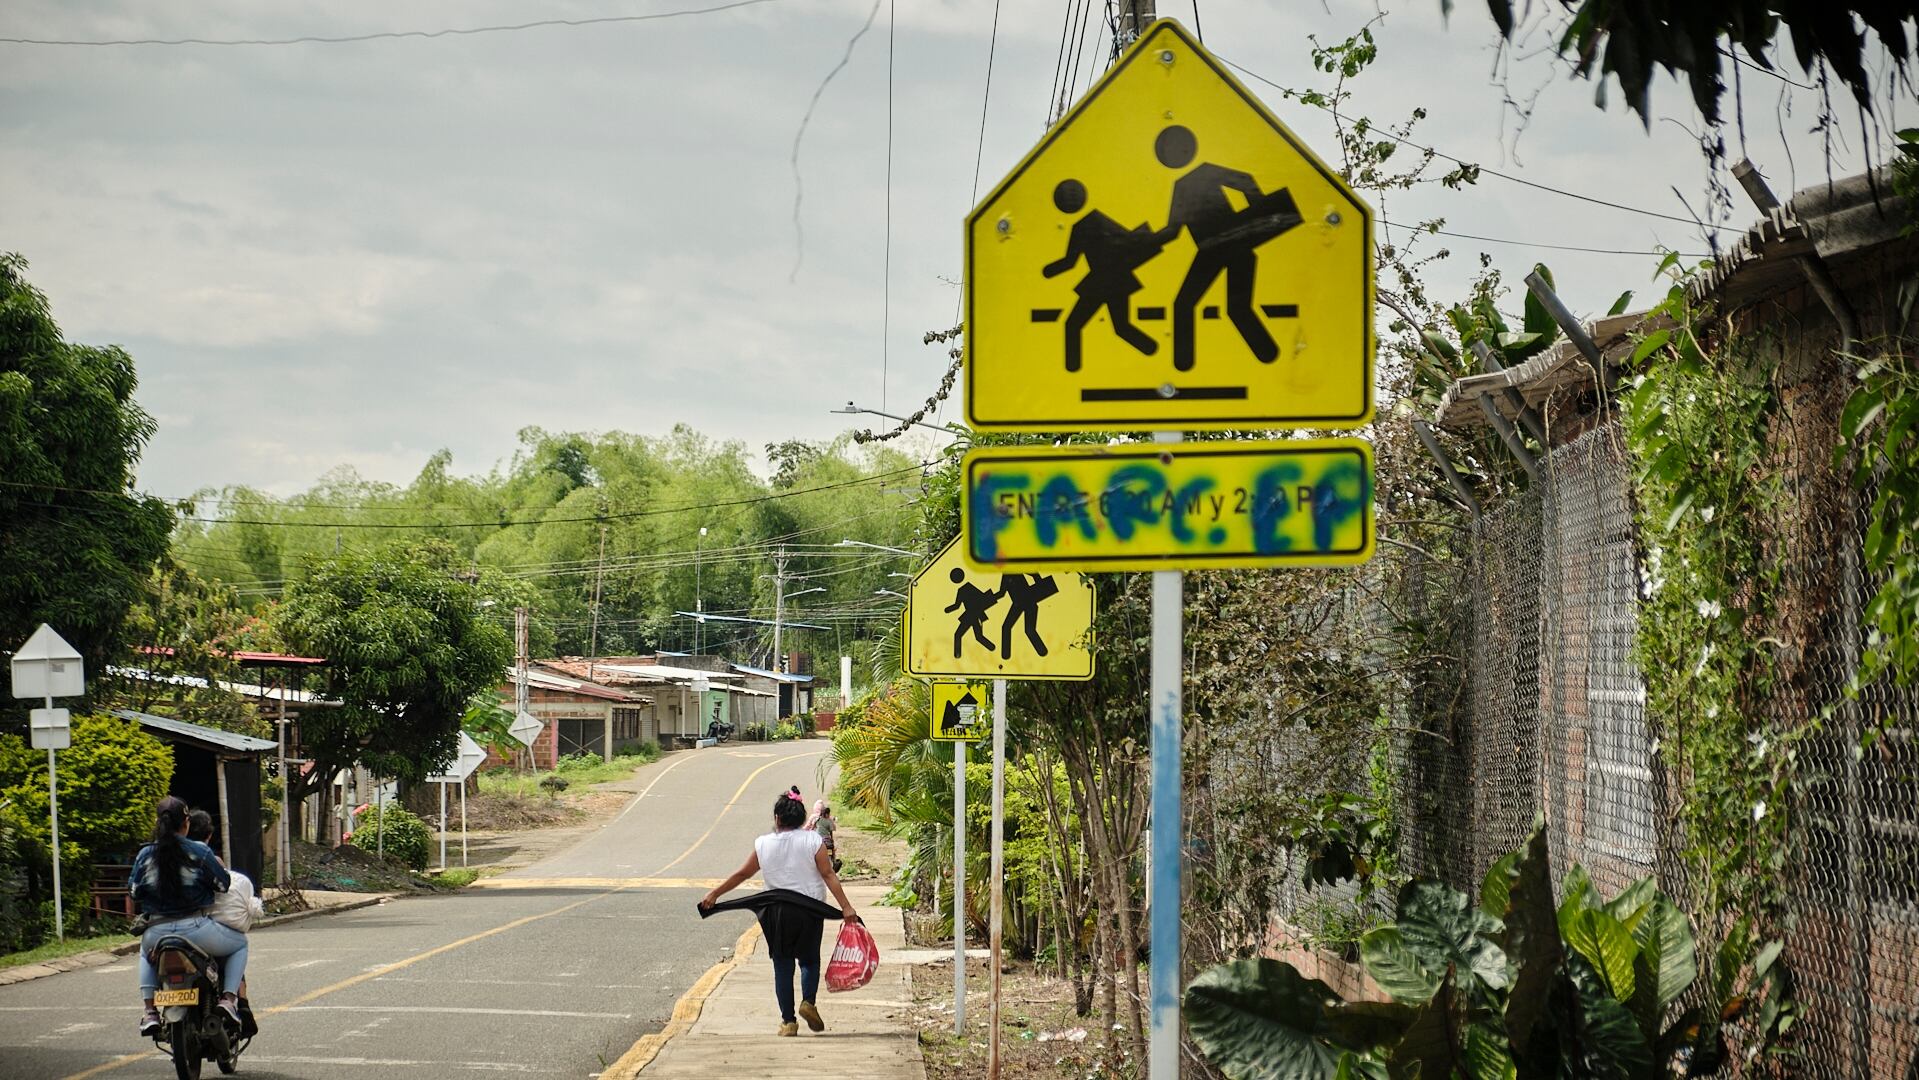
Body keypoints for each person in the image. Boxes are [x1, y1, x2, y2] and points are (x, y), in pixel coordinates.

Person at [699, 789, 860, 1036]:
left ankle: (788, 1022)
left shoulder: (763, 843)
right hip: (809, 909)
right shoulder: (813, 841)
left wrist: (715, 894)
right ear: (801, 818)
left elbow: (742, 874)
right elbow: (829, 875)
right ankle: (808, 1002)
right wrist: (846, 907)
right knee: (808, 960)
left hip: (777, 913)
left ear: (777, 818)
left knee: (783, 964)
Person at [130, 797, 245, 1035]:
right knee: (240, 945)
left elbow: (134, 891)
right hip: (197, 930)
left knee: (144, 953)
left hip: (156, 933)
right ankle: (228, 999)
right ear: (186, 823)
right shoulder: (200, 851)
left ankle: (150, 1012)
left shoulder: (145, 855)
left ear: (157, 822)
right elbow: (223, 885)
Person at [1040, 177, 1163, 372]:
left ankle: (1072, 371)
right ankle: (1154, 350)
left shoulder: (1083, 225)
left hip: (1100, 282)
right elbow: (1127, 241)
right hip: (1118, 279)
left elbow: (1070, 262)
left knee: (1073, 325)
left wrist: (1046, 272)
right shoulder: (1097, 219)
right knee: (1121, 326)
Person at [811, 803, 840, 874]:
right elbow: (831, 832)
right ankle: (834, 861)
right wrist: (832, 840)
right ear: (827, 814)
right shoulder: (829, 821)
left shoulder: (817, 819)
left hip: (818, 840)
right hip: (827, 841)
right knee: (833, 851)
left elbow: (812, 829)